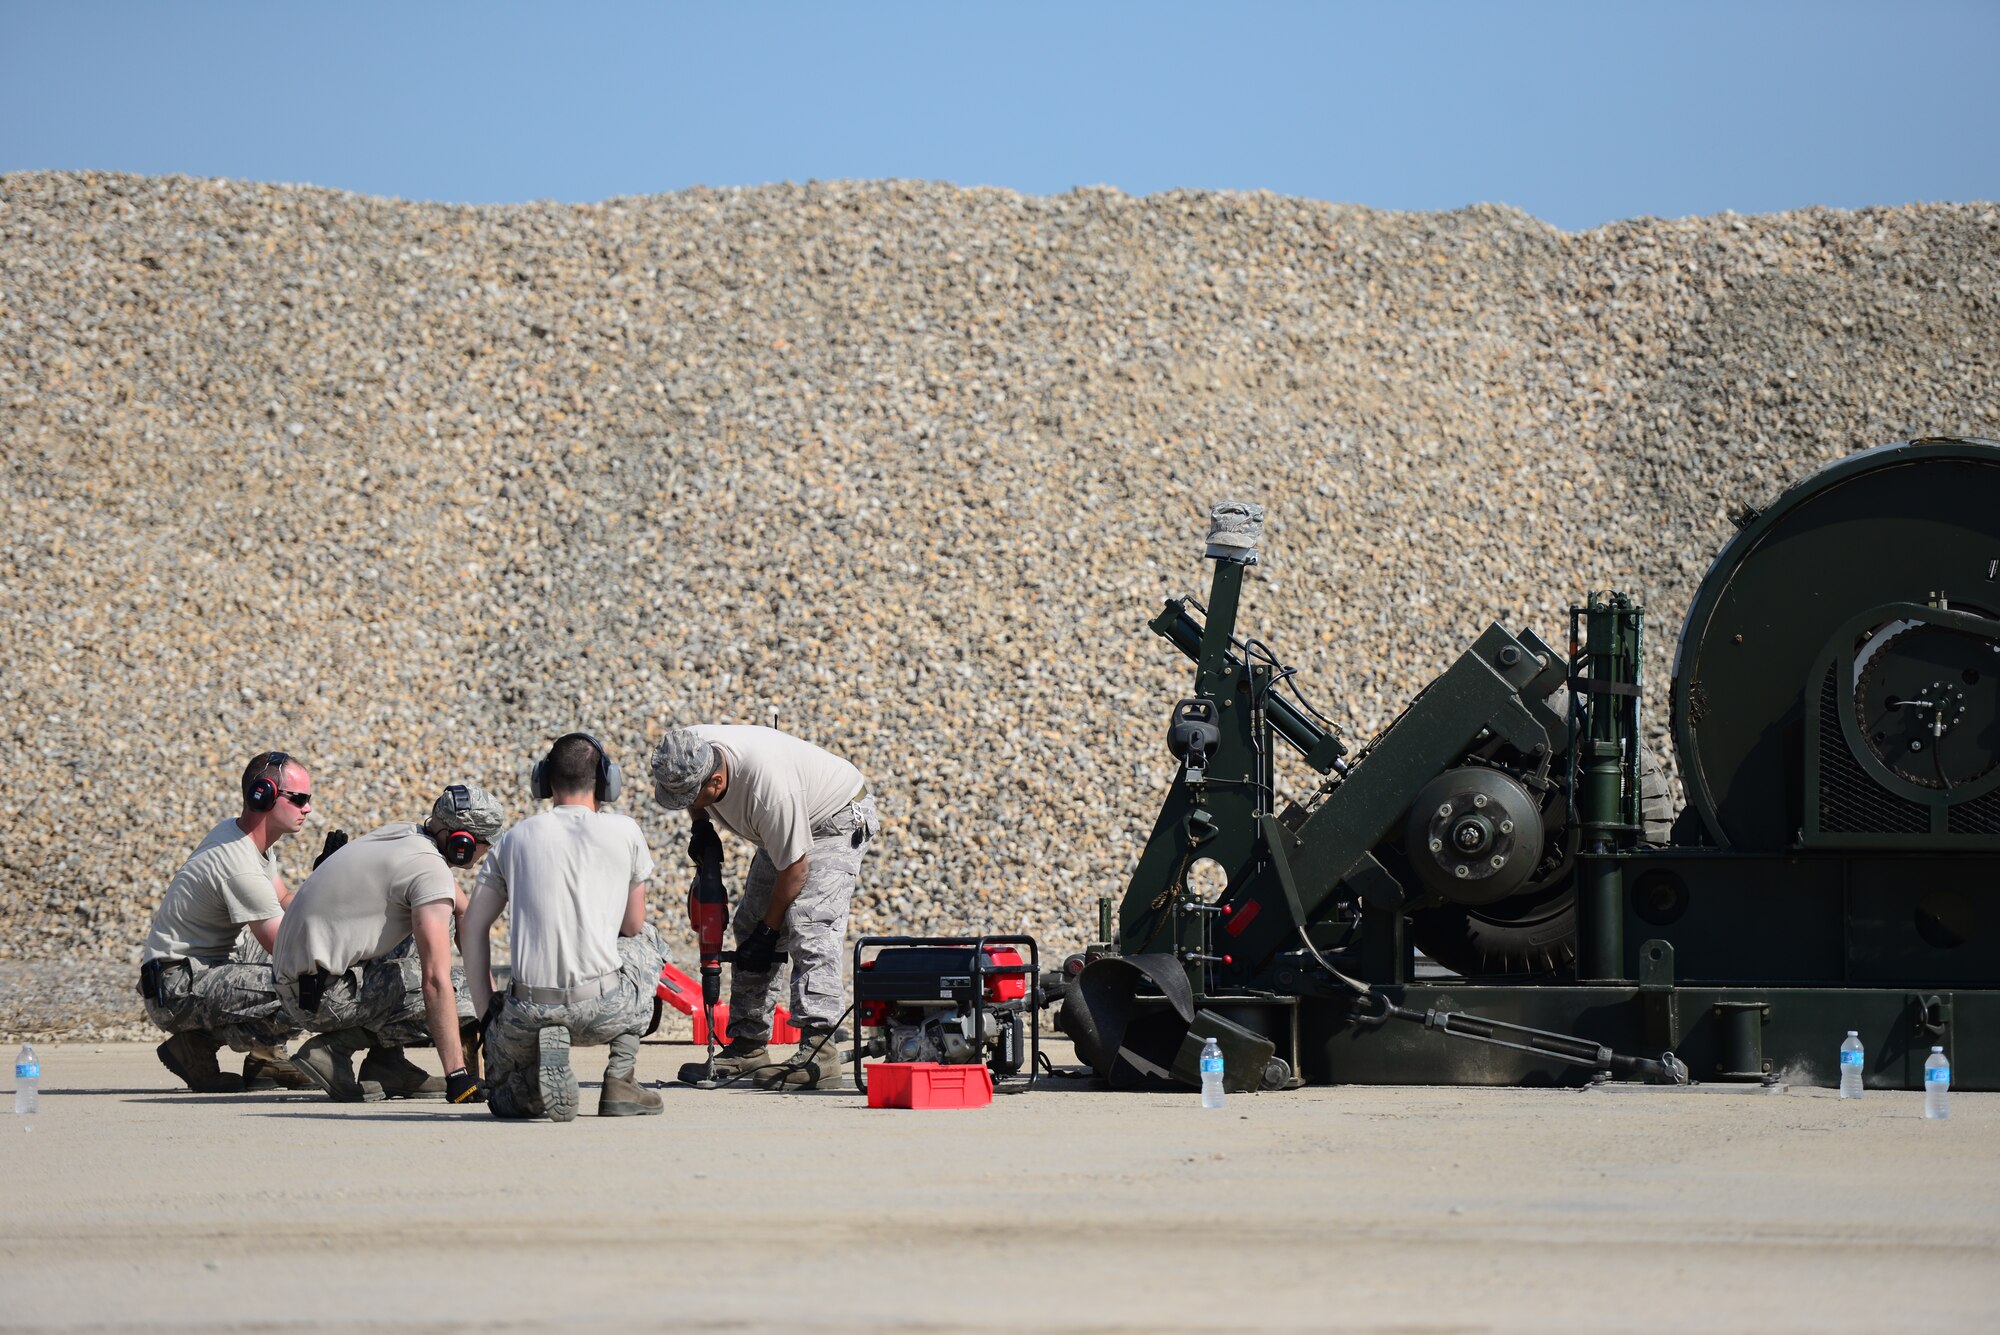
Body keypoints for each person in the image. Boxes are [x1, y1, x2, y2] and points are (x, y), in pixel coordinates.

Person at [648, 725, 877, 1089]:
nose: (691, 801)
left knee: (809, 925)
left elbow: (796, 871)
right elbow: (688, 791)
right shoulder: (686, 749)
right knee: (748, 924)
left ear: (717, 780)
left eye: (695, 796)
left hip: (834, 818)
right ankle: (748, 1045)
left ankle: (820, 1048)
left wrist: (769, 933)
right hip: (786, 825)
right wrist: (700, 827)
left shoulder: (771, 794)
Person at [461, 733, 665, 1121]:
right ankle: (621, 1078)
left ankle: (530, 1081)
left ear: (543, 782)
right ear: (607, 781)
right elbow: (633, 924)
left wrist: (490, 1016)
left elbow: (472, 929)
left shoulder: (512, 840)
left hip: (528, 1008)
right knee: (648, 942)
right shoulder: (626, 832)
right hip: (602, 1006)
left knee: (505, 1102)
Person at [273, 784, 501, 1104]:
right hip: (319, 996)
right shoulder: (429, 870)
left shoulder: (406, 835)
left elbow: (464, 915)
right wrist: (458, 1076)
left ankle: (386, 1064)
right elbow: (435, 981)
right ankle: (333, 1049)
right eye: (484, 845)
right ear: (461, 843)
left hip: (302, 982)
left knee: (442, 918)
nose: (485, 853)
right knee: (462, 993)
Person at [139, 750, 316, 1093]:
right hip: (176, 986)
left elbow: (282, 902)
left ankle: (265, 1056)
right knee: (306, 986)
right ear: (262, 795)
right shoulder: (238, 864)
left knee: (301, 951)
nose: (307, 808)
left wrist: (323, 892)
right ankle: (196, 1046)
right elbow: (285, 949)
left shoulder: (244, 838)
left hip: (191, 971)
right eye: (299, 799)